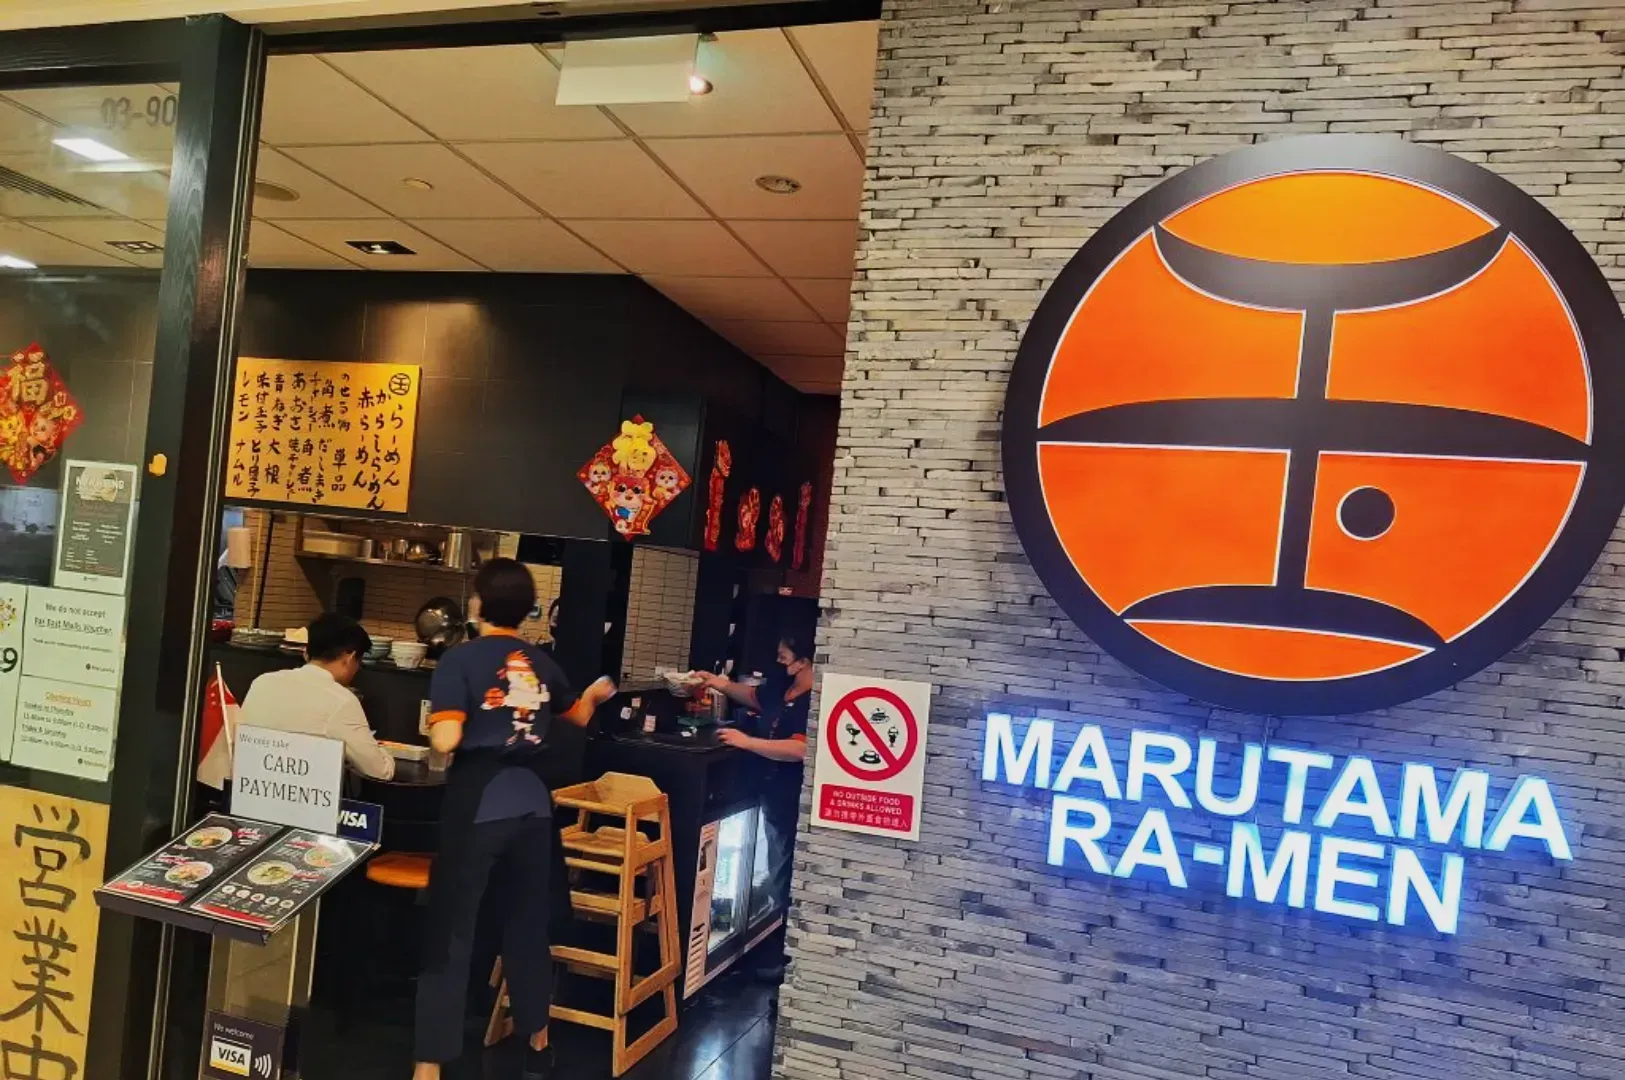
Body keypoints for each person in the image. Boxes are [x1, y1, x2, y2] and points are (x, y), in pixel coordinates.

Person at [413, 558, 617, 1080]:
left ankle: (429, 1066)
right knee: (527, 925)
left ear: (479, 605)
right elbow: (577, 715)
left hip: (479, 800)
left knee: (452, 930)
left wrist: (443, 727)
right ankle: (538, 1042)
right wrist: (595, 693)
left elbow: (446, 739)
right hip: (532, 805)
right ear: (527, 610)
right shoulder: (541, 662)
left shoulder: (460, 659)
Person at [700, 635, 814, 976]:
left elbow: (799, 749)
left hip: (791, 796)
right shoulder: (784, 689)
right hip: (769, 791)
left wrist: (747, 741)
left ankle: (790, 964)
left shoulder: (813, 700)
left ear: (803, 661)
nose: (778, 662)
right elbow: (751, 696)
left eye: (784, 656)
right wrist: (717, 682)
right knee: (778, 868)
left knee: (785, 874)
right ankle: (784, 957)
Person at [236, 612, 394, 781]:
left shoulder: (261, 683)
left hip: (251, 789)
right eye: (359, 662)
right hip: (304, 794)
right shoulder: (341, 701)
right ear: (350, 658)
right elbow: (381, 771)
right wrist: (384, 752)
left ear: (306, 653)